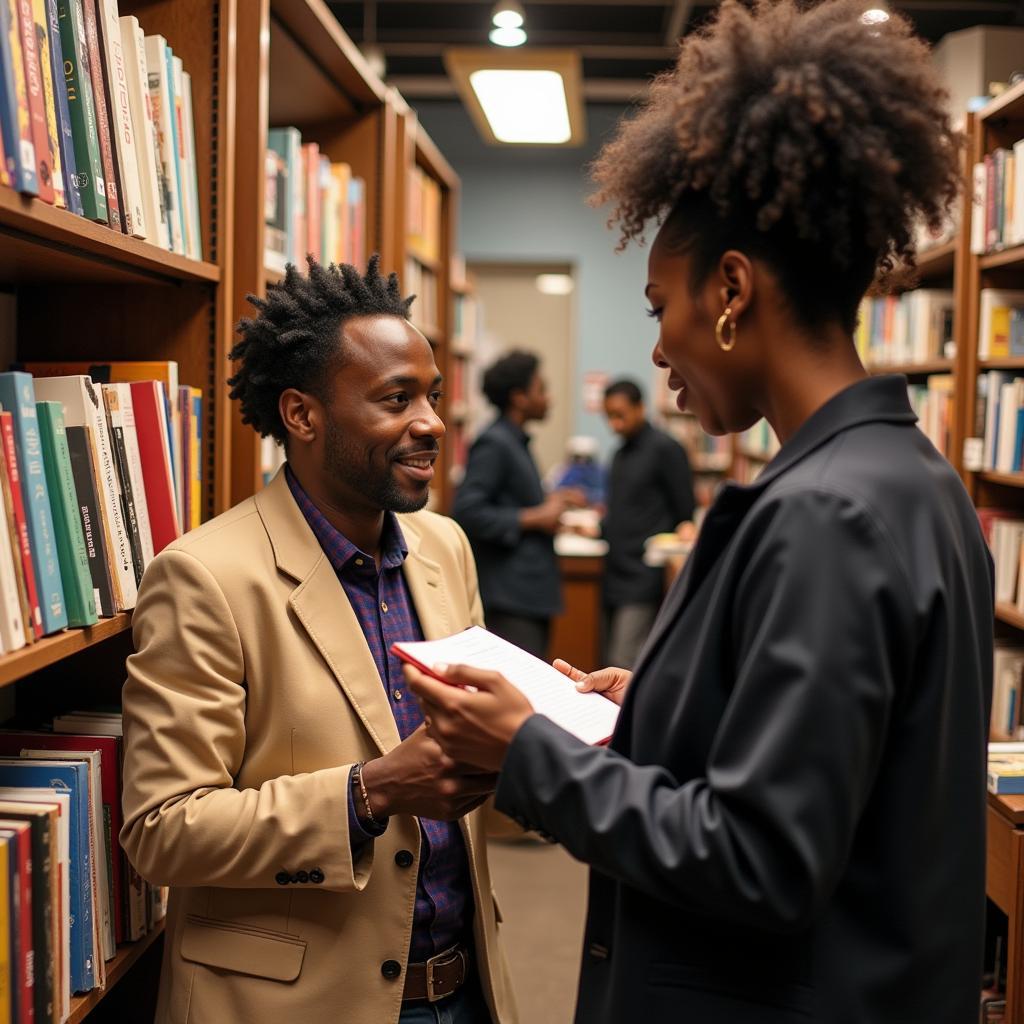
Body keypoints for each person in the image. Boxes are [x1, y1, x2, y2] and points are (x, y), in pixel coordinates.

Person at [403, 3, 993, 1023]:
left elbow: (763, 858)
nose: (660, 347)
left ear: (730, 289)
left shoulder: (826, 512)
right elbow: (833, 757)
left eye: (657, 306)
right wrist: (662, 707)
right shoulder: (910, 476)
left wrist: (528, 752)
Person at [119, 256, 515, 1024]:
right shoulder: (205, 577)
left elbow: (471, 755)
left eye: (431, 395)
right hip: (299, 1003)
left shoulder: (445, 549)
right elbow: (164, 831)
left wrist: (551, 722)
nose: (431, 423)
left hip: (465, 988)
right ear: (302, 416)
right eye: (396, 399)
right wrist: (368, 794)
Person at [452, 351, 584, 659]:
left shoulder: (514, 441)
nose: (549, 398)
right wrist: (537, 517)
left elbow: (510, 502)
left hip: (527, 594)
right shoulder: (495, 443)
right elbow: (468, 512)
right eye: (541, 389)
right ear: (519, 397)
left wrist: (551, 504)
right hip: (511, 597)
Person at [601, 378, 695, 667]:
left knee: (623, 659)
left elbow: (685, 511)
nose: (615, 424)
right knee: (608, 658)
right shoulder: (618, 454)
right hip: (613, 571)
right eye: (609, 417)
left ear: (641, 408)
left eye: (621, 415)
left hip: (644, 574)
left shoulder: (666, 449)